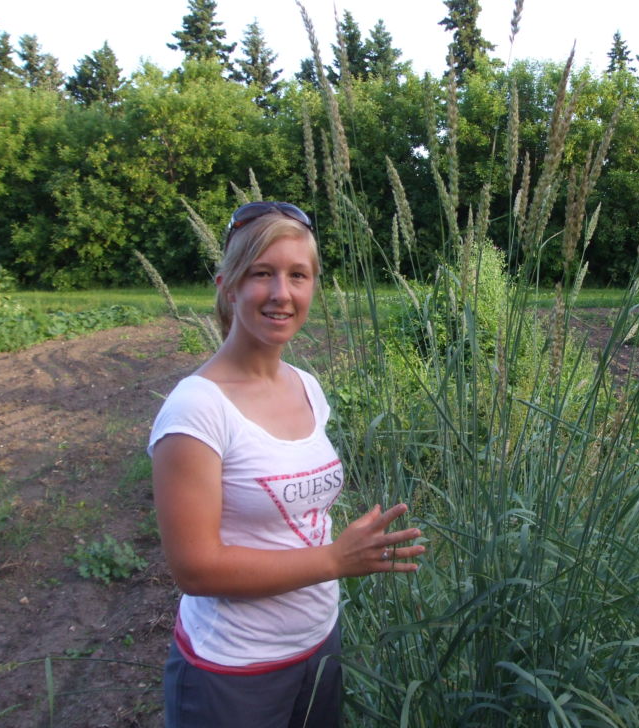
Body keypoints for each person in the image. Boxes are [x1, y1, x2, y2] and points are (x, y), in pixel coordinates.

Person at [148, 201, 424, 728]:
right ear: (228, 285)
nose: (282, 293)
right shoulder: (197, 409)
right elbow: (195, 568)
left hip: (319, 645)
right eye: (262, 274)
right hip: (232, 671)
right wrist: (335, 561)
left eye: (298, 275)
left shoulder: (307, 386)